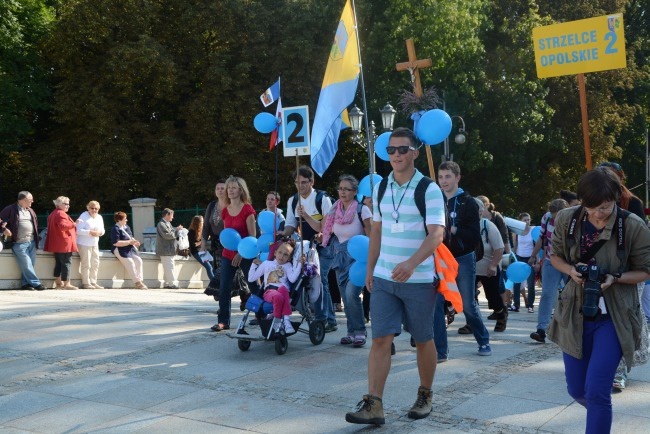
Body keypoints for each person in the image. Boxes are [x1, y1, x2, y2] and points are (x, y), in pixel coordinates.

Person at [345, 127, 446, 424]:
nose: (397, 155)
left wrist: (412, 263)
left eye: (403, 149)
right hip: (385, 279)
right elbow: (375, 230)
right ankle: (374, 403)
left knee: (423, 338)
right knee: (380, 339)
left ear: (415, 152)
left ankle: (425, 394)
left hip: (418, 279)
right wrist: (370, 269)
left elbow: (437, 234)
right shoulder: (380, 187)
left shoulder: (428, 189)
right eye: (391, 150)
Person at [547, 167, 650, 434]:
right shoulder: (567, 219)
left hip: (614, 318)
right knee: (577, 389)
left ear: (616, 198)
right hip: (575, 314)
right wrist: (571, 270)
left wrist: (615, 278)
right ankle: (599, 416)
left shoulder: (632, 225)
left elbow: (646, 270)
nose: (597, 214)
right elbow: (555, 256)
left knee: (597, 390)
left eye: (604, 207)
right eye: (590, 207)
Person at [598, 161, 648, 390]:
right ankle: (601, 364)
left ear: (619, 179)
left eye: (608, 176)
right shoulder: (591, 202)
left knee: (624, 322)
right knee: (600, 321)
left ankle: (620, 371)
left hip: (627, 273)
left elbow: (640, 242)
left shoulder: (633, 203)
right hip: (598, 272)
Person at [435, 161, 491, 357]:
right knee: (436, 303)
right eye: (441, 177)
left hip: (463, 257)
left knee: (468, 304)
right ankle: (440, 349)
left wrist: (452, 229)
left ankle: (483, 340)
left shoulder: (469, 202)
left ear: (457, 178)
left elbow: (474, 235)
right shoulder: (433, 199)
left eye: (448, 176)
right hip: (440, 257)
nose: (444, 181)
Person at [281, 166, 335, 332]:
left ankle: (325, 319)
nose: (300, 186)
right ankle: (321, 316)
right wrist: (283, 233)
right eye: (297, 183)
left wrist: (305, 215)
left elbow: (323, 227)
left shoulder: (322, 198)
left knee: (320, 280)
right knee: (305, 281)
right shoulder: (293, 200)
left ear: (312, 181)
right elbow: (291, 224)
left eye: (304, 182)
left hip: (324, 245)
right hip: (304, 247)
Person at [321, 174, 372, 347]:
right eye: (340, 188)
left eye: (347, 189)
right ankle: (351, 332)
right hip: (339, 255)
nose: (342, 192)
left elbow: (372, 235)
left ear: (355, 192)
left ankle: (360, 331)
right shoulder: (335, 209)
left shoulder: (361, 209)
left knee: (352, 294)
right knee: (345, 296)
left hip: (358, 259)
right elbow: (328, 230)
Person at [211, 176, 259, 332]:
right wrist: (233, 251)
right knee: (224, 287)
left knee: (253, 285)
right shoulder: (225, 211)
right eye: (228, 187)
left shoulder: (247, 209)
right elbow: (228, 235)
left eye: (233, 187)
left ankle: (262, 314)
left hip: (246, 253)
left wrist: (241, 253)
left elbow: (252, 237)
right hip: (228, 254)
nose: (230, 190)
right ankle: (223, 321)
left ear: (241, 190)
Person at [529, 198, 569, 343]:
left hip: (569, 263)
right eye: (553, 216)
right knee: (547, 294)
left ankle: (572, 329)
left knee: (572, 295)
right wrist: (533, 256)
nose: (555, 219)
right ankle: (541, 330)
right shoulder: (546, 218)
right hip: (551, 261)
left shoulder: (573, 219)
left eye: (558, 216)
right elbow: (541, 238)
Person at [248, 241, 302, 333]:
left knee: (283, 289)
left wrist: (300, 264)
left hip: (283, 291)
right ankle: (280, 320)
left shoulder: (288, 265)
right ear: (275, 252)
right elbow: (251, 278)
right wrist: (253, 265)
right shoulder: (266, 264)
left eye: (286, 255)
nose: (282, 256)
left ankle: (286, 320)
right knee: (278, 295)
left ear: (289, 258)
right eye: (280, 252)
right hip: (270, 292)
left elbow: (292, 279)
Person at [0, 191, 47, 291]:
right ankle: (36, 283)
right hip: (18, 243)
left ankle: (25, 284)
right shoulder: (10, 209)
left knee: (30, 264)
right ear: (22, 200)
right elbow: (0, 220)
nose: (32, 201)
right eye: (30, 200)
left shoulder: (31, 210)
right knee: (27, 264)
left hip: (32, 242)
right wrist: (4, 230)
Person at [475, 198, 507, 332]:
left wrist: (493, 265)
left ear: (481, 211)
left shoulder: (488, 226)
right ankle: (472, 322)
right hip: (470, 269)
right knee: (469, 297)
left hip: (489, 268)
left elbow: (499, 248)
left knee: (492, 296)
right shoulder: (464, 226)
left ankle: (501, 314)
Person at [44, 196, 79, 290]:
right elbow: (63, 226)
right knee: (67, 263)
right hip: (64, 243)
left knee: (59, 263)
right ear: (59, 204)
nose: (68, 206)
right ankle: (66, 284)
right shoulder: (61, 214)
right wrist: (74, 224)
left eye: (68, 204)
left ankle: (58, 283)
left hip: (57, 243)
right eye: (66, 204)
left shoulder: (53, 213)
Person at [201, 180, 226, 295]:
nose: (220, 190)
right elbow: (206, 226)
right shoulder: (211, 206)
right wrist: (203, 245)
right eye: (218, 188)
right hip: (215, 244)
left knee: (228, 272)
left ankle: (242, 294)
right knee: (218, 272)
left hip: (230, 244)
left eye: (222, 188)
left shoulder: (231, 205)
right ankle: (221, 297)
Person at [110, 211, 148, 289]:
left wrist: (135, 242)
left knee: (139, 260)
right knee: (130, 262)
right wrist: (130, 242)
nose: (126, 220)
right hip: (120, 249)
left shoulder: (126, 227)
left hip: (129, 248)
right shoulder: (115, 229)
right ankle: (137, 282)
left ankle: (140, 280)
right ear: (119, 220)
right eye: (125, 219)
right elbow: (116, 243)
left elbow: (130, 237)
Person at [75, 200, 105, 289]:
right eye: (92, 208)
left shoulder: (99, 217)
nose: (94, 210)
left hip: (95, 243)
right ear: (88, 208)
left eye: (96, 208)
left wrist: (99, 232)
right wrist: (90, 232)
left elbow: (103, 230)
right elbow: (78, 230)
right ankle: (86, 282)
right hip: (84, 243)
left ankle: (93, 281)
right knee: (86, 263)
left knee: (95, 263)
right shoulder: (83, 216)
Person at [511, 212, 537, 312]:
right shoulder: (517, 231)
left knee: (531, 284)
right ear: (520, 221)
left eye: (528, 219)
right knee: (516, 282)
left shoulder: (533, 230)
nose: (527, 222)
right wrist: (513, 259)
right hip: (519, 257)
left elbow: (537, 246)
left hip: (530, 258)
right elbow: (515, 245)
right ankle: (516, 305)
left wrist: (537, 261)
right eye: (524, 220)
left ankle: (530, 305)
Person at [188, 215, 219, 290]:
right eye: (202, 221)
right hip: (196, 252)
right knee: (208, 267)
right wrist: (202, 241)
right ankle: (214, 285)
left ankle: (217, 282)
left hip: (202, 251)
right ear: (197, 223)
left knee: (213, 264)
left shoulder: (201, 230)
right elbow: (193, 245)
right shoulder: (191, 232)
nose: (203, 223)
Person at [156, 208, 182, 289]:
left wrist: (176, 231)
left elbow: (170, 234)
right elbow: (167, 235)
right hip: (165, 250)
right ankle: (172, 284)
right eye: (171, 215)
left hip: (169, 250)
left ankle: (167, 283)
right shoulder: (161, 224)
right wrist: (177, 231)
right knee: (170, 267)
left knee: (169, 267)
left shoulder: (167, 223)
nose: (172, 217)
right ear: (167, 215)